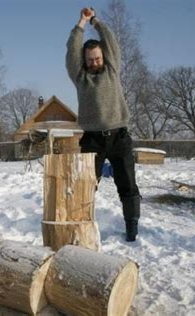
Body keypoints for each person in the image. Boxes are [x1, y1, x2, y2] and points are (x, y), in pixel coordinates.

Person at [66, 7, 141, 242]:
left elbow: (110, 40)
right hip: (92, 140)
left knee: (128, 186)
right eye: (90, 59)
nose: (94, 62)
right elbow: (71, 52)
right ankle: (82, 226)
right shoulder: (80, 77)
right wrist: (81, 23)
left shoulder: (112, 70)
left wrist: (95, 21)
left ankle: (132, 228)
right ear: (85, 61)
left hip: (119, 137)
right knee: (86, 187)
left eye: (97, 58)